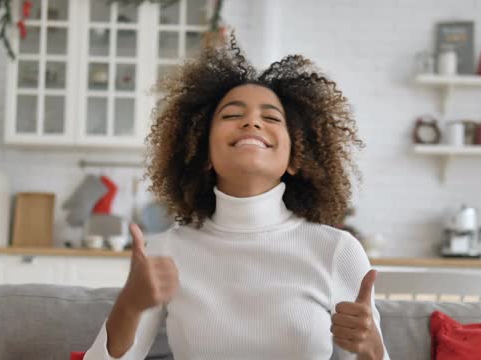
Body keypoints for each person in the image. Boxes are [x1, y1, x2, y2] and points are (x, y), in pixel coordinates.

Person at [84, 34, 389, 360]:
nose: (251, 121)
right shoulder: (165, 252)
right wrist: (129, 306)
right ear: (202, 152)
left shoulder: (337, 251)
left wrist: (371, 348)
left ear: (296, 157)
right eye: (231, 115)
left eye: (271, 117)